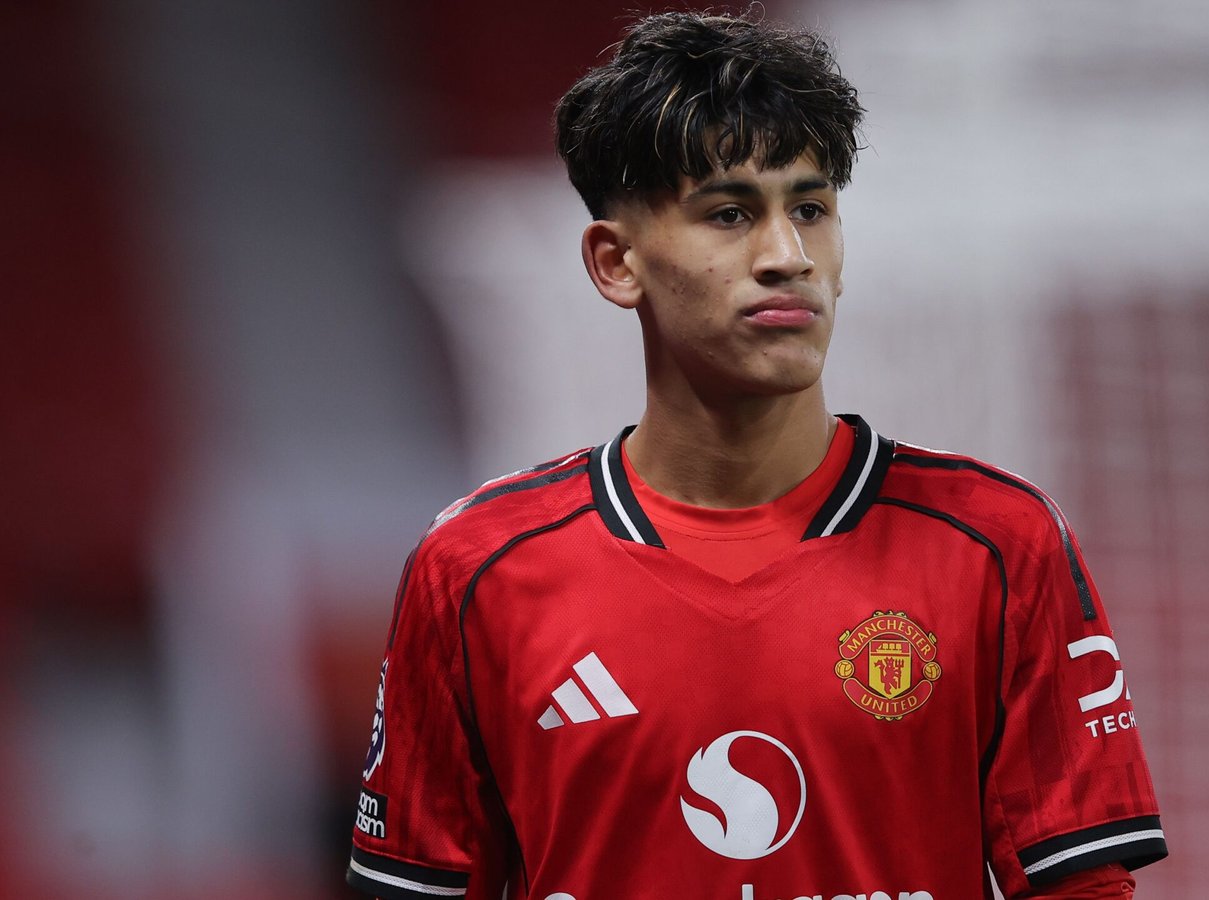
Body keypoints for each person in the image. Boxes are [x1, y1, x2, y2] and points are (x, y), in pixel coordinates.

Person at [346, 10, 1165, 900]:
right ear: (616, 263)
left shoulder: (999, 543)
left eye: (810, 209)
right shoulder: (476, 571)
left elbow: (1084, 890)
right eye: (731, 213)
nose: (787, 256)